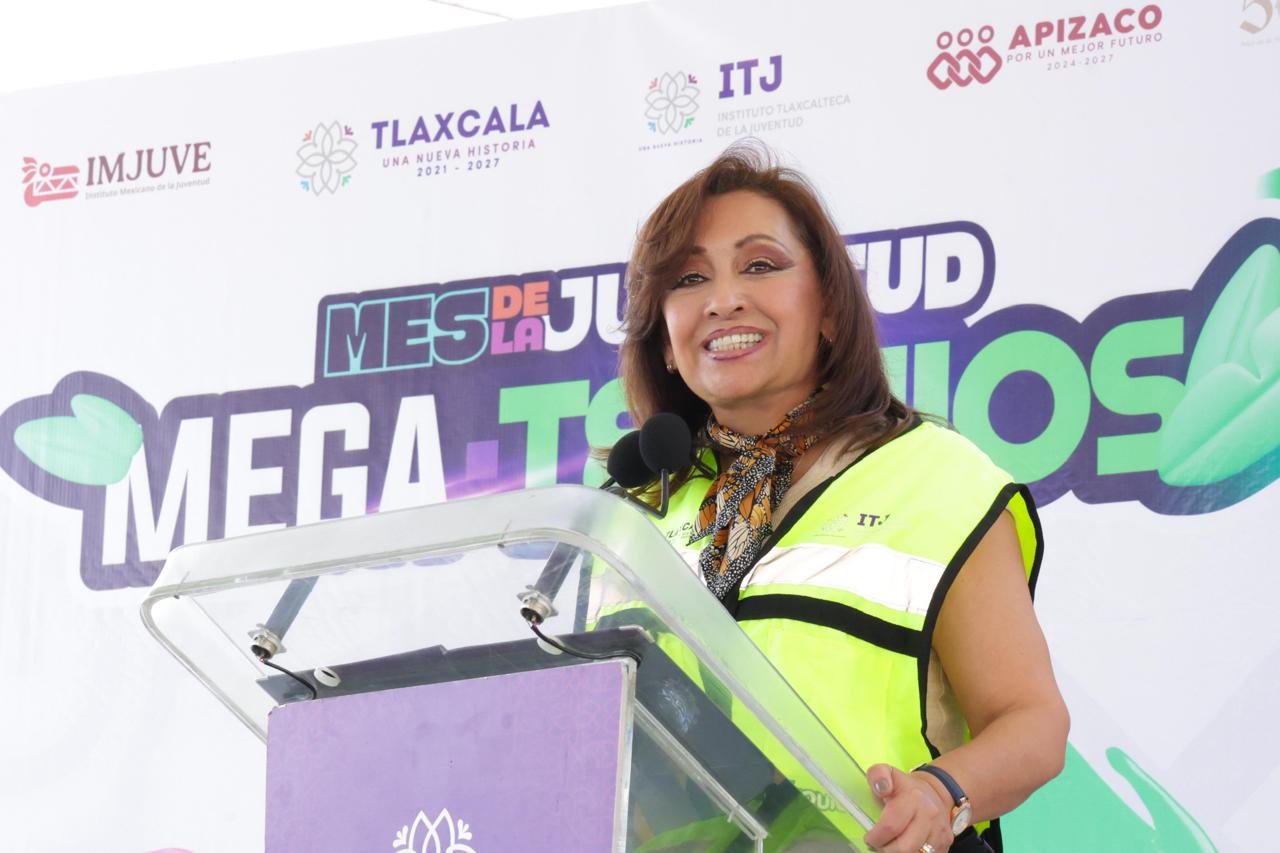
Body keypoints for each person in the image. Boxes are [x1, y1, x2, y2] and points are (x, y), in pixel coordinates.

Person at [616, 142, 1069, 853]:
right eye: (689, 278)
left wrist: (939, 793)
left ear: (829, 307)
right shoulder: (631, 512)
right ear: (666, 344)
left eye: (760, 265)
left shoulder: (935, 477)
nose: (723, 299)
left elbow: (1033, 723)